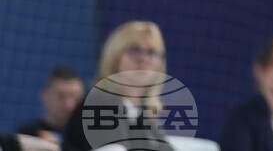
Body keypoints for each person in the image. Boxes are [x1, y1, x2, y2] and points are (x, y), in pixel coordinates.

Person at [62, 20, 174, 151]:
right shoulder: (99, 102)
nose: (143, 58)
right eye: (134, 50)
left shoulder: (143, 116)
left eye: (151, 52)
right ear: (115, 57)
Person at [17, 67, 85, 145]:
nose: (69, 104)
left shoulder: (87, 138)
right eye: (61, 96)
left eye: (75, 97)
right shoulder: (28, 135)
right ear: (44, 96)